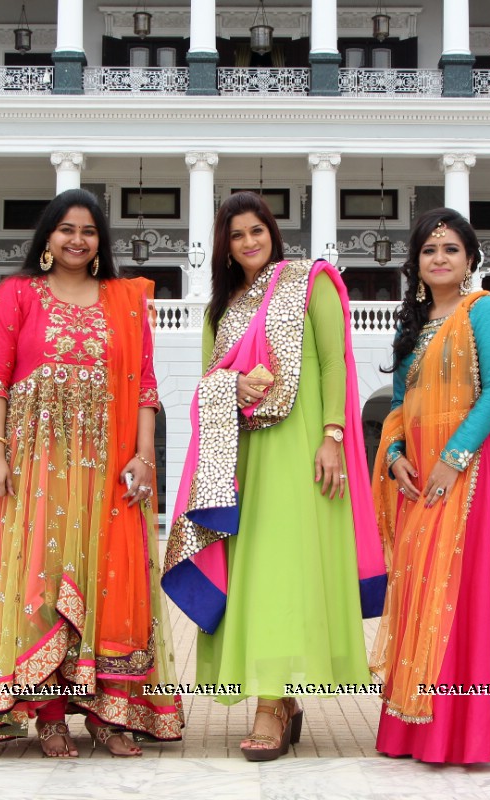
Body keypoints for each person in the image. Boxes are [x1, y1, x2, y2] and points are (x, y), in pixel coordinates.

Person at [0, 189, 183, 757]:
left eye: (89, 231)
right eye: (67, 229)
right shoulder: (16, 295)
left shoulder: (123, 301)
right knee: (41, 585)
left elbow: (146, 388)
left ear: (101, 242)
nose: (78, 240)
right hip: (38, 467)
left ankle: (108, 714)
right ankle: (49, 716)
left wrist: (144, 456)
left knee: (111, 582)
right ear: (47, 237)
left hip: (106, 466)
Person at [163, 191, 386, 762]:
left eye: (256, 230)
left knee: (287, 573)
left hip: (303, 451)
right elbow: (206, 386)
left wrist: (334, 435)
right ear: (225, 246)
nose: (248, 243)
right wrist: (229, 387)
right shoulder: (220, 310)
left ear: (272, 232)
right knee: (254, 576)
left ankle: (273, 704)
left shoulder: (309, 282)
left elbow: (335, 360)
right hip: (242, 460)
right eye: (236, 235)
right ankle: (275, 698)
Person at [370, 207, 490, 764]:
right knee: (416, 587)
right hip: (418, 478)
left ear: (470, 259)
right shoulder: (411, 328)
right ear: (416, 263)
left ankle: (461, 731)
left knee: (458, 588)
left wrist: (453, 458)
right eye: (430, 251)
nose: (440, 258)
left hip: (468, 472)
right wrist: (393, 456)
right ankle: (413, 728)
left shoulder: (486, 312)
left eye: (451, 249)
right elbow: (398, 408)